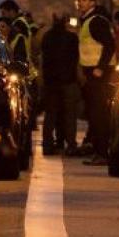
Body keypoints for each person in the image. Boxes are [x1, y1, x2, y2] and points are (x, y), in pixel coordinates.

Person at [73, 0, 116, 163]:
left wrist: (100, 67)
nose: (80, 3)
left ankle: (102, 153)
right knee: (94, 113)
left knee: (98, 114)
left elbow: (109, 45)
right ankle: (98, 150)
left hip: (97, 73)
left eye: (84, 0)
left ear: (92, 3)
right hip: (91, 72)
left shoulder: (96, 21)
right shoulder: (88, 20)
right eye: (78, 1)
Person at [39, 12, 82, 155]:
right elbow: (76, 58)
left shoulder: (47, 37)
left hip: (51, 81)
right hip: (68, 80)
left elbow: (43, 58)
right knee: (70, 114)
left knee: (50, 114)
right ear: (65, 23)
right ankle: (70, 144)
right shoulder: (72, 38)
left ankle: (47, 144)